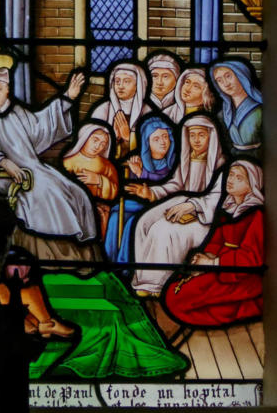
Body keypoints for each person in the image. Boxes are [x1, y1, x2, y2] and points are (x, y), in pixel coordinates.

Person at [0, 54, 99, 263]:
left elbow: (42, 128)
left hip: (32, 168)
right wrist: (1, 161)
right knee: (46, 191)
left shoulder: (18, 112)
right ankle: (54, 258)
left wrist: (67, 98)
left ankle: (77, 254)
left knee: (77, 193)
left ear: (7, 89)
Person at [129, 115, 225, 296]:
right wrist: (151, 193)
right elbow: (175, 185)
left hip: (206, 218)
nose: (196, 140)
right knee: (144, 223)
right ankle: (142, 278)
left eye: (201, 135)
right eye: (192, 135)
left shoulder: (222, 165)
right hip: (181, 204)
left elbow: (217, 198)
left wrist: (193, 205)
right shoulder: (188, 159)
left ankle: (157, 285)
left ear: (211, 136)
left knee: (165, 231)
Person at [162, 160, 263, 326]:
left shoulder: (256, 214)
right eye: (230, 175)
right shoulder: (227, 209)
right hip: (221, 269)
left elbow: (251, 257)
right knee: (175, 290)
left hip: (240, 275)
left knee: (178, 299)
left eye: (239, 178)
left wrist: (213, 263)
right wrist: (203, 259)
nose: (231, 180)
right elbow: (216, 241)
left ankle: (246, 307)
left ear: (251, 185)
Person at [104, 113, 177, 264]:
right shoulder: (139, 160)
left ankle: (125, 265)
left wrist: (141, 173)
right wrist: (131, 166)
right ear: (147, 142)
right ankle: (109, 262)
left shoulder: (174, 162)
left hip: (158, 206)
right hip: (134, 204)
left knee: (133, 222)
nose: (163, 142)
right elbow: (124, 183)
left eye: (165, 136)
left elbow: (169, 185)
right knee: (115, 218)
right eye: (156, 139)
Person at [61, 123, 119, 237]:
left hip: (98, 208)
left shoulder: (107, 166)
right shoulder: (69, 162)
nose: (98, 146)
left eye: (103, 144)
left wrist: (99, 180)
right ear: (85, 138)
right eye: (95, 140)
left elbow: (115, 190)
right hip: (74, 206)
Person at [89, 62, 154, 159]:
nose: (120, 86)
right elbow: (89, 145)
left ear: (138, 85)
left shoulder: (147, 111)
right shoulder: (103, 110)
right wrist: (113, 138)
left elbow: (154, 147)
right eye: (117, 81)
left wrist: (129, 137)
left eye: (126, 81)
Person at [209, 59, 262, 158]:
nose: (226, 84)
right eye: (219, 80)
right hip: (234, 161)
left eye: (228, 76)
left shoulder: (261, 109)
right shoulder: (223, 114)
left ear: (241, 75)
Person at [146, 53, 183, 123]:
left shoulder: (182, 105)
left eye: (165, 76)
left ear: (177, 79)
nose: (159, 82)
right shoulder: (141, 105)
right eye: (154, 76)